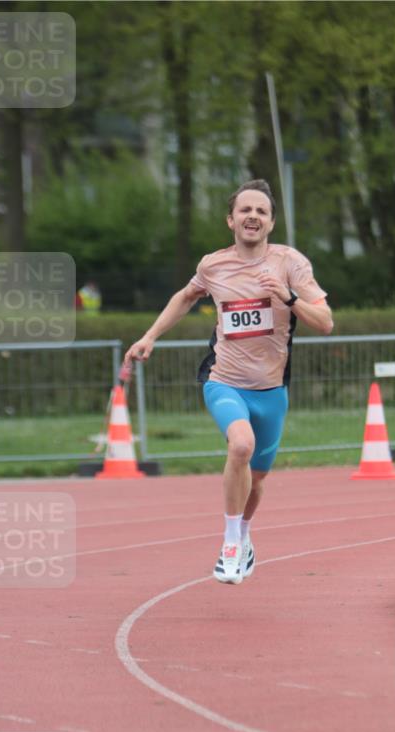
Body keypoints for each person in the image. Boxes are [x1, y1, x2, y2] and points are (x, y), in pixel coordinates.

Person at [124, 179, 333, 584]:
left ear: (271, 223)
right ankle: (230, 543)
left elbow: (326, 322)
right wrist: (150, 336)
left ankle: (245, 534)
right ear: (231, 220)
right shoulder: (213, 265)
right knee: (240, 445)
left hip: (271, 390)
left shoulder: (290, 263)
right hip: (224, 381)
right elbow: (186, 296)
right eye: (245, 210)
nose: (253, 216)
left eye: (261, 211)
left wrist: (288, 296)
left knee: (257, 478)